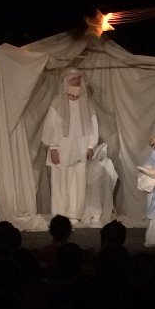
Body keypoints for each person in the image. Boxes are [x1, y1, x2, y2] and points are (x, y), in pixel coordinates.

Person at [41, 65, 99, 223]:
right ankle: (60, 214)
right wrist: (53, 148)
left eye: (79, 79)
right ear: (66, 82)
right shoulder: (57, 103)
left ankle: (75, 214)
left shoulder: (86, 103)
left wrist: (91, 146)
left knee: (78, 182)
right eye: (73, 80)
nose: (77, 82)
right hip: (62, 149)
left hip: (80, 148)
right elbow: (51, 126)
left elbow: (93, 124)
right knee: (62, 181)